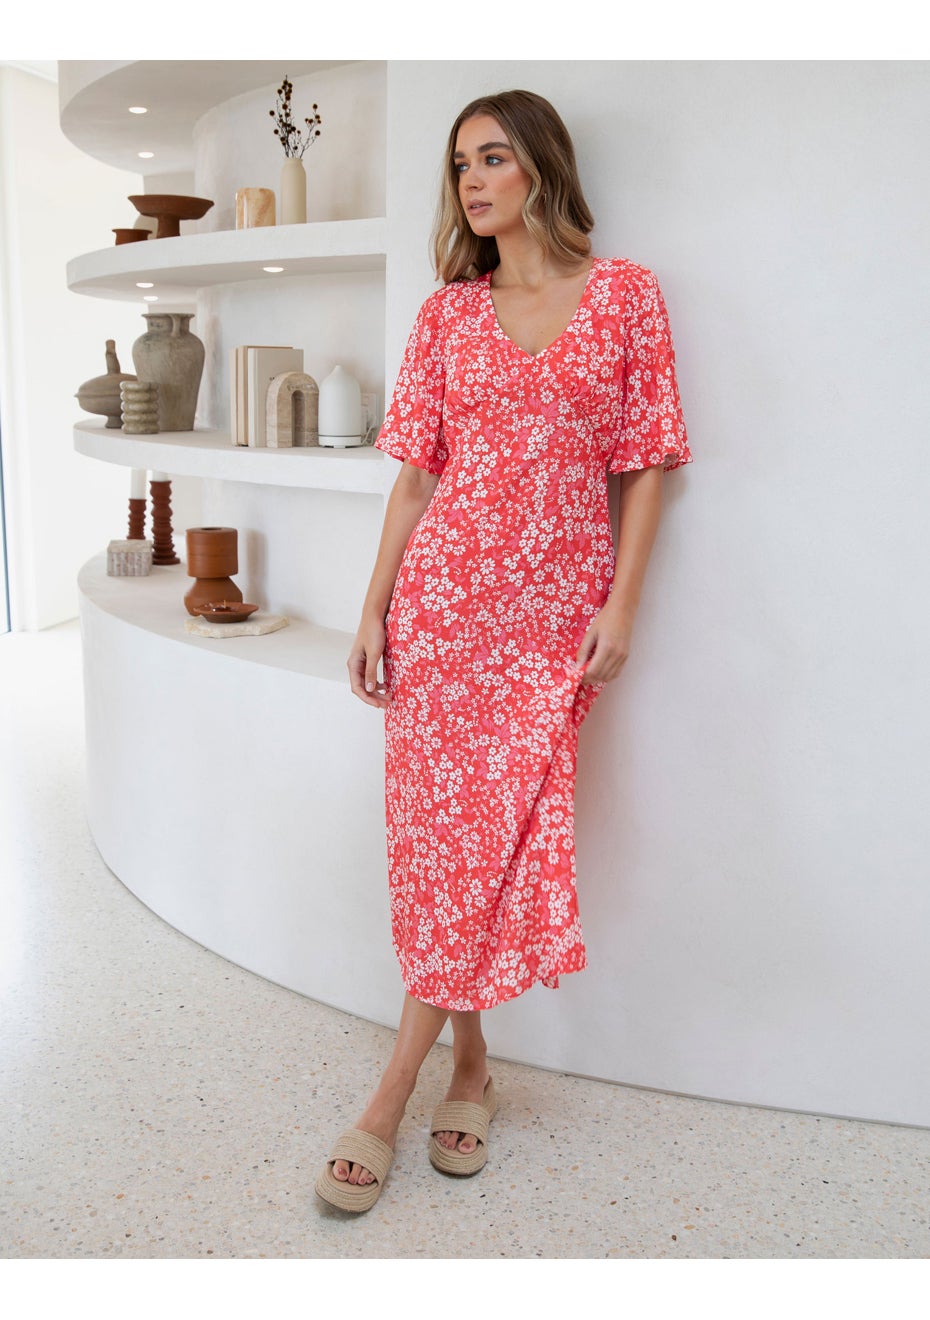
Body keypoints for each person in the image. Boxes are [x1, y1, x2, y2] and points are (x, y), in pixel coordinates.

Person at [315, 88, 691, 1213]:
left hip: (550, 625)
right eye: (459, 165)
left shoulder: (625, 296)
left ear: (540, 166)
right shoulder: (447, 316)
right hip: (441, 612)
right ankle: (465, 1067)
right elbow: (416, 477)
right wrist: (374, 608)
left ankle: (391, 1090)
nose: (471, 182)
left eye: (491, 158)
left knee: (490, 840)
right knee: (445, 847)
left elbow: (648, 465)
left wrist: (623, 606)